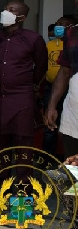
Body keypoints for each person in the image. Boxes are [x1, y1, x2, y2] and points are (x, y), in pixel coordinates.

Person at [0, 0, 47, 182]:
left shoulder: (33, 39)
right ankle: (1, 189)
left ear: (21, 17)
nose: (6, 12)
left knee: (23, 149)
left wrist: (29, 84)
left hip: (22, 98)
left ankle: (22, 197)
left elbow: (41, 67)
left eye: (11, 10)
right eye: (5, 9)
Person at [46, 0, 78, 160]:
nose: (76, 1)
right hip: (73, 112)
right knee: (72, 164)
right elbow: (64, 71)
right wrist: (52, 105)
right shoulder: (71, 34)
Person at [42, 16, 75, 158]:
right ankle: (47, 158)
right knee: (50, 125)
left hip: (70, 91)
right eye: (57, 24)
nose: (58, 27)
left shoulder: (71, 40)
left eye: (63, 24)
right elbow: (59, 70)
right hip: (55, 90)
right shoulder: (55, 42)